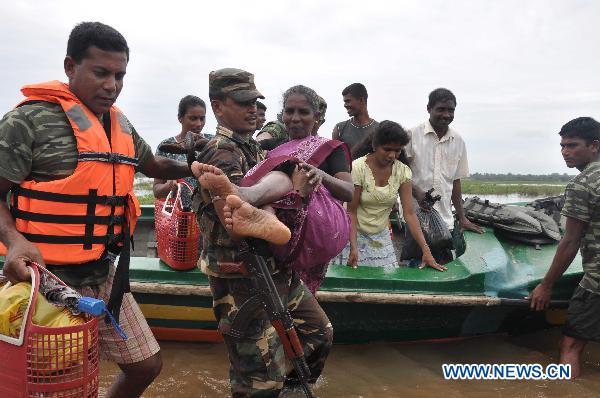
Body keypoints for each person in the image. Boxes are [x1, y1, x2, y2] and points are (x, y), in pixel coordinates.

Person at [0, 22, 191, 398]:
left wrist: (196, 167)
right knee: (54, 383)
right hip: (44, 279)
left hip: (102, 274)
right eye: (101, 73)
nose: (112, 85)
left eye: (120, 75)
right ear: (71, 66)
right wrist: (14, 239)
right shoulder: (27, 122)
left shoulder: (120, 123)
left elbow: (154, 166)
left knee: (145, 365)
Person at [192, 72, 344, 397]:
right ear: (218, 107)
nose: (252, 109)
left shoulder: (253, 147)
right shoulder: (220, 151)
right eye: (243, 102)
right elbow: (229, 219)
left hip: (275, 268)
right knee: (259, 380)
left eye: (256, 102)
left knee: (318, 335)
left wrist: (298, 192)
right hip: (242, 277)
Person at [240, 86, 353, 293]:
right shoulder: (270, 149)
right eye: (289, 111)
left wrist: (322, 176)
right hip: (274, 242)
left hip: (312, 240)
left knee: (300, 301)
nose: (295, 118)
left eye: (303, 112)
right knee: (273, 301)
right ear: (282, 114)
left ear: (316, 116)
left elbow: (348, 191)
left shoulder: (330, 149)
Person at [528, 117, 600, 378]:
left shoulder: (581, 185)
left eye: (573, 145)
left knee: (570, 345)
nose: (565, 152)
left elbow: (570, 241)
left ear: (595, 146)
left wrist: (546, 285)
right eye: (562, 146)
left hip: (596, 282)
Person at [335, 121, 446, 271]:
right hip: (352, 234)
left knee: (384, 280)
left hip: (380, 235)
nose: (392, 155)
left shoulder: (403, 171)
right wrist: (353, 247)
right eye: (387, 149)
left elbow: (409, 214)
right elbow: (351, 211)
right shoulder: (358, 167)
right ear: (374, 146)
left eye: (397, 151)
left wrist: (426, 251)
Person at [406, 88, 483, 235]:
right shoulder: (411, 135)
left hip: (445, 219)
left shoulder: (458, 141)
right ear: (429, 109)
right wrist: (416, 191)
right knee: (417, 258)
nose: (446, 115)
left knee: (444, 258)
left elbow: (455, 182)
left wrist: (462, 218)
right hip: (414, 216)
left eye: (451, 110)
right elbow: (397, 174)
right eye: (440, 109)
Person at [153, 95, 206, 199]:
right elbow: (157, 191)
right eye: (193, 118)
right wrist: (169, 186)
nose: (199, 123)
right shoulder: (165, 146)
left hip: (207, 213)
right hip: (179, 213)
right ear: (180, 118)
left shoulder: (212, 143)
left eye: (202, 118)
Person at [332, 83, 379, 158]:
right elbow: (335, 160)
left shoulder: (379, 129)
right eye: (344, 102)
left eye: (348, 101)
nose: (345, 105)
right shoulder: (339, 129)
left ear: (361, 100)